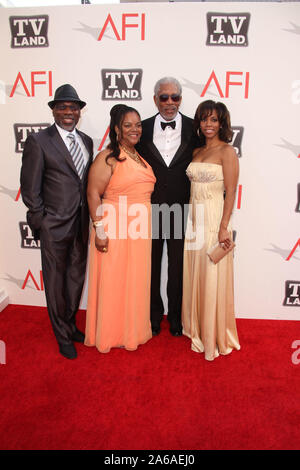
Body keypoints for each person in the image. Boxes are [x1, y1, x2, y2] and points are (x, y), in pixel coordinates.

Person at [20, 84, 93, 360]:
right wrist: (42, 221)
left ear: (79, 112)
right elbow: (29, 187)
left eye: (73, 107)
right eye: (62, 107)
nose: (68, 112)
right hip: (53, 224)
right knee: (55, 282)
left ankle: (70, 324)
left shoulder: (86, 141)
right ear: (53, 110)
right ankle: (62, 335)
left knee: (75, 279)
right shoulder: (39, 141)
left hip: (81, 224)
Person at [84, 104, 156, 353]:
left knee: (135, 281)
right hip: (114, 227)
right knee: (114, 281)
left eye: (137, 124)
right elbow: (93, 193)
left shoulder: (139, 156)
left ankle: (132, 331)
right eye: (128, 125)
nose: (135, 129)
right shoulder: (107, 157)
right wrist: (100, 231)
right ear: (117, 129)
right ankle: (110, 332)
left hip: (138, 231)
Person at [136, 77, 199, 336]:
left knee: (177, 269)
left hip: (181, 211)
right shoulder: (142, 128)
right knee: (149, 267)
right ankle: (152, 316)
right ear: (155, 99)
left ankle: (175, 318)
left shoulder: (196, 129)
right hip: (149, 210)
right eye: (164, 97)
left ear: (181, 99)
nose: (170, 102)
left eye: (175, 97)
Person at [181, 100, 240, 361]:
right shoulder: (196, 153)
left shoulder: (227, 152)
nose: (208, 124)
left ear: (222, 123)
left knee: (211, 271)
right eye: (204, 119)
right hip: (194, 220)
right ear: (199, 122)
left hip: (214, 220)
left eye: (214, 120)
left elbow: (231, 192)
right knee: (196, 272)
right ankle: (196, 326)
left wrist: (223, 226)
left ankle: (214, 332)